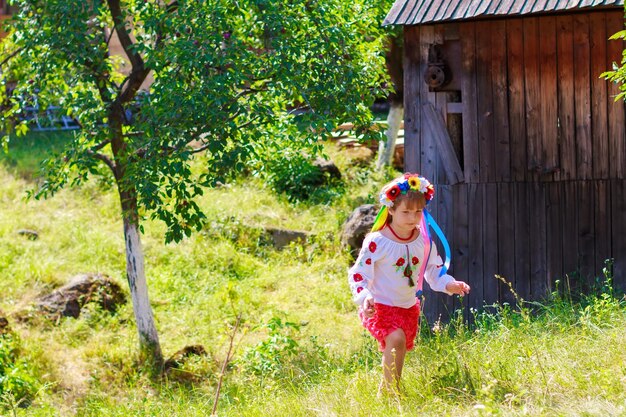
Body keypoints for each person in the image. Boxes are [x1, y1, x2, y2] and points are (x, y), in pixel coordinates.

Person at [348, 172, 470, 395]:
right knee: (395, 340)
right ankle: (393, 394)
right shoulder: (377, 241)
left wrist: (448, 284)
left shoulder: (423, 242)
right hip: (380, 305)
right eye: (405, 211)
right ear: (391, 210)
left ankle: (386, 391)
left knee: (399, 348)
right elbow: (358, 274)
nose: (412, 217)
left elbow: (433, 272)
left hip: (408, 307)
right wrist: (365, 297)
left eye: (418, 211)